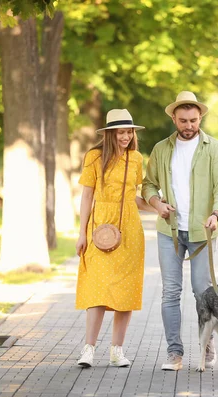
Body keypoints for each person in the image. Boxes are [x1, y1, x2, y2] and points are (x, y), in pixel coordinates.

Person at [142, 91, 218, 371]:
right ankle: (174, 353)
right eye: (183, 120)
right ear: (173, 119)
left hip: (202, 233)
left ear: (200, 117)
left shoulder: (213, 148)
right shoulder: (161, 149)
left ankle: (207, 346)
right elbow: (148, 185)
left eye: (193, 120)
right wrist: (157, 204)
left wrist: (216, 213)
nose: (189, 125)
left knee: (202, 292)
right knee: (170, 292)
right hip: (169, 231)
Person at [75, 109, 155, 368]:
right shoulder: (94, 157)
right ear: (110, 134)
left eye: (129, 131)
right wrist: (81, 233)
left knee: (126, 290)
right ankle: (88, 349)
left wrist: (158, 207)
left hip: (130, 229)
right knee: (97, 290)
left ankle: (117, 350)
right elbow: (87, 196)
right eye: (121, 131)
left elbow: (134, 198)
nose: (126, 136)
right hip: (100, 227)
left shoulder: (136, 158)